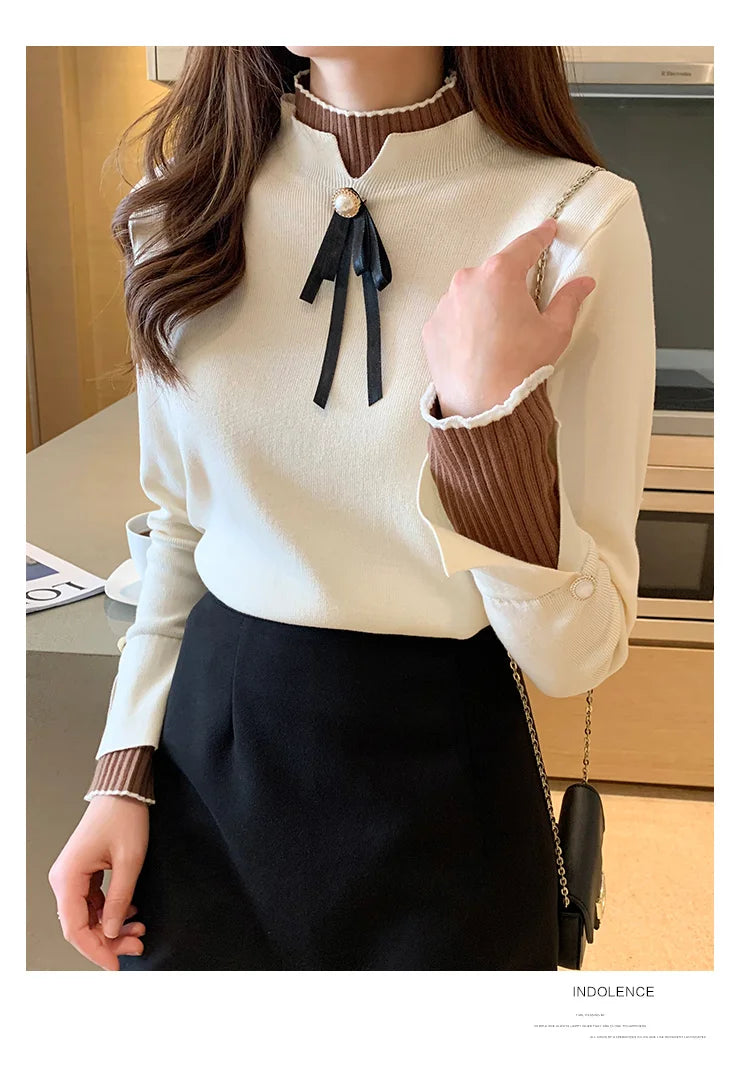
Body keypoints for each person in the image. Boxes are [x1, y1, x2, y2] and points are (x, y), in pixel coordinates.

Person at [47, 46, 655, 971]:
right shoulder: (181, 204)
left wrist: (486, 425)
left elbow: (580, 654)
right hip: (209, 766)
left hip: (446, 778)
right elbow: (180, 525)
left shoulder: (574, 218)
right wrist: (120, 773)